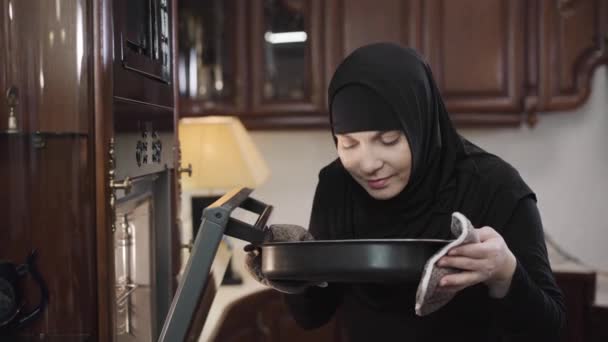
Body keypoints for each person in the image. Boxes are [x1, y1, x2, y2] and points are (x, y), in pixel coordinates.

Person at [245, 43, 565, 341]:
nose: (368, 164)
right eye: (349, 144)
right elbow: (313, 316)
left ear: (420, 126)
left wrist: (504, 273)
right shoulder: (337, 185)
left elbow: (551, 330)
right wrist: (292, 268)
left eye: (388, 140)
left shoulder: (495, 186)